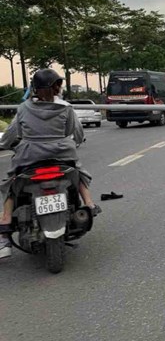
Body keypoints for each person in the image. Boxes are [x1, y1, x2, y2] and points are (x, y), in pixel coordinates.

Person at [0, 69, 100, 259]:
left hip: (29, 156)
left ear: (34, 89)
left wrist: (4, 144)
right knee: (79, 173)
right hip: (62, 154)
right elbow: (75, 132)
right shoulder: (66, 107)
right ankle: (89, 204)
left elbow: (10, 135)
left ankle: (4, 229)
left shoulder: (23, 109)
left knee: (10, 183)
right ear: (57, 87)